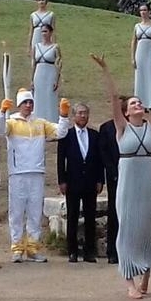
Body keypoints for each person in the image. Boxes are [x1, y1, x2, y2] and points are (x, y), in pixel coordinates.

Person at [90, 52, 151, 299]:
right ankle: (129, 283)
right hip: (128, 184)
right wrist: (105, 68)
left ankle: (146, 273)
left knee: (147, 229)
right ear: (126, 112)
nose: (138, 105)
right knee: (126, 231)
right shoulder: (121, 128)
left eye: (139, 103)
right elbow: (114, 98)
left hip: (147, 183)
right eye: (133, 104)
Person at [0, 88, 71, 263]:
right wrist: (2, 112)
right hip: (17, 173)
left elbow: (61, 132)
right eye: (25, 102)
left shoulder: (40, 123)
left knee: (35, 212)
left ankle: (33, 248)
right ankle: (17, 248)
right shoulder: (11, 122)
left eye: (30, 102)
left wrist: (64, 116)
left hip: (37, 172)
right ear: (19, 105)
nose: (28, 105)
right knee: (16, 212)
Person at [57, 103, 104, 263]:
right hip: (73, 182)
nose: (83, 116)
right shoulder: (66, 135)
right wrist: (62, 180)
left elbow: (100, 160)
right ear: (74, 116)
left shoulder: (94, 135)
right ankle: (72, 251)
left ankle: (89, 251)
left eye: (85, 113)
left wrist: (100, 180)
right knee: (73, 216)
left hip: (91, 182)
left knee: (90, 217)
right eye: (80, 113)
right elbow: (60, 160)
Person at [98, 115, 121, 264]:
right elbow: (103, 153)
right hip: (115, 177)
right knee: (114, 213)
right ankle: (112, 251)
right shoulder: (106, 128)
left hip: (134, 176)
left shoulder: (139, 125)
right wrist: (113, 172)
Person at [131, 5, 151, 111]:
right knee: (140, 77)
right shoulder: (137, 26)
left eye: (145, 10)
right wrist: (132, 58)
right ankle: (140, 103)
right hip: (140, 53)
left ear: (149, 12)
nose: (143, 12)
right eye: (141, 10)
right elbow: (133, 41)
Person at [31, 23, 61, 122]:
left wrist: (56, 79)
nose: (44, 34)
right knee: (38, 98)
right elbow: (33, 63)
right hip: (39, 74)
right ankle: (37, 120)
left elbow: (59, 63)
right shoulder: (36, 46)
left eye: (46, 31)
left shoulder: (55, 47)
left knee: (49, 98)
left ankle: (51, 121)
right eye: (42, 31)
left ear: (50, 32)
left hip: (50, 74)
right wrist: (32, 79)